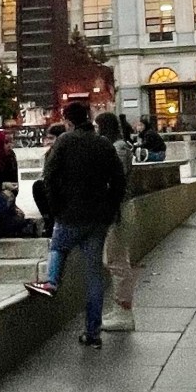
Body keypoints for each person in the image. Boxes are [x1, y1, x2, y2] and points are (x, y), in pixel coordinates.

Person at [24, 102, 126, 349]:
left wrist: (56, 209)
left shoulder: (64, 142)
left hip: (70, 214)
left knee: (58, 246)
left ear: (68, 121)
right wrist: (110, 207)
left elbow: (49, 176)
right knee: (94, 276)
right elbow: (119, 180)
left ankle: (51, 282)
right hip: (98, 218)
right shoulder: (103, 143)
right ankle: (93, 332)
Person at [96, 112, 136, 332]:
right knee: (114, 259)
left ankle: (124, 312)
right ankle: (119, 307)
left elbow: (114, 177)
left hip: (118, 209)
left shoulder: (119, 148)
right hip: (118, 208)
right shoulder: (119, 145)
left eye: (98, 127)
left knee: (118, 260)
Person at [31, 123, 67, 238]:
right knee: (38, 186)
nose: (48, 142)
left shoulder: (66, 153)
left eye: (52, 138)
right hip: (54, 188)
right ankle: (49, 221)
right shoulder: (50, 154)